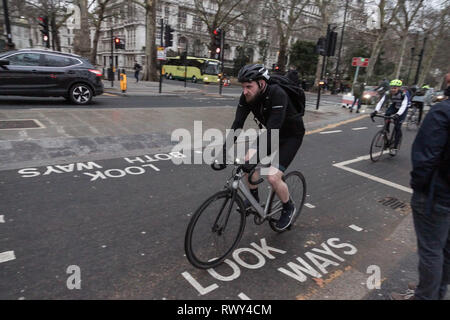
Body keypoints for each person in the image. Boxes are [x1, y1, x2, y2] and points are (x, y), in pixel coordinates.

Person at [216, 64, 305, 230]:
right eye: (243, 87)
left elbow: (273, 130)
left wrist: (256, 159)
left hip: (291, 136)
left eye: (249, 86)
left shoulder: (278, 94)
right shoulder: (247, 97)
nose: (245, 91)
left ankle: (288, 207)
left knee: (273, 177)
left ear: (262, 84)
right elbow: (237, 124)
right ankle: (254, 198)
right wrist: (223, 151)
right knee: (247, 162)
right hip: (272, 133)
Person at [390, 73, 450, 300]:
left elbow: (425, 157)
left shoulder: (443, 111)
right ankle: (435, 291)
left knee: (432, 251)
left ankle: (426, 296)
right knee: (444, 250)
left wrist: (419, 187)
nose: (446, 75)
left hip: (437, 194)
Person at [371, 79, 410, 155]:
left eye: (395, 88)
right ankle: (387, 130)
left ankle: (395, 148)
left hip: (403, 108)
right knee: (387, 114)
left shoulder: (404, 94)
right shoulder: (388, 93)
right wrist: (375, 111)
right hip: (395, 105)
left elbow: (404, 105)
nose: (393, 89)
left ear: (399, 88)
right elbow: (381, 102)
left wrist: (397, 115)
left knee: (397, 127)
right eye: (392, 87)